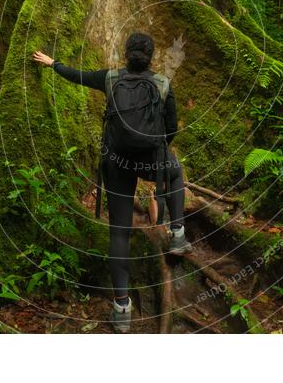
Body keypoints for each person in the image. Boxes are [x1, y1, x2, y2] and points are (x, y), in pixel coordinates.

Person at [32, 32, 192, 333]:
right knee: (174, 171)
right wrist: (154, 151)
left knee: (119, 232)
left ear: (126, 52)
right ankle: (178, 235)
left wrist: (53, 63)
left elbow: (77, 76)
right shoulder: (162, 84)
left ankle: (121, 309)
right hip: (151, 158)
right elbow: (171, 128)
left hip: (116, 162)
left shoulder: (109, 78)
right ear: (152, 56)